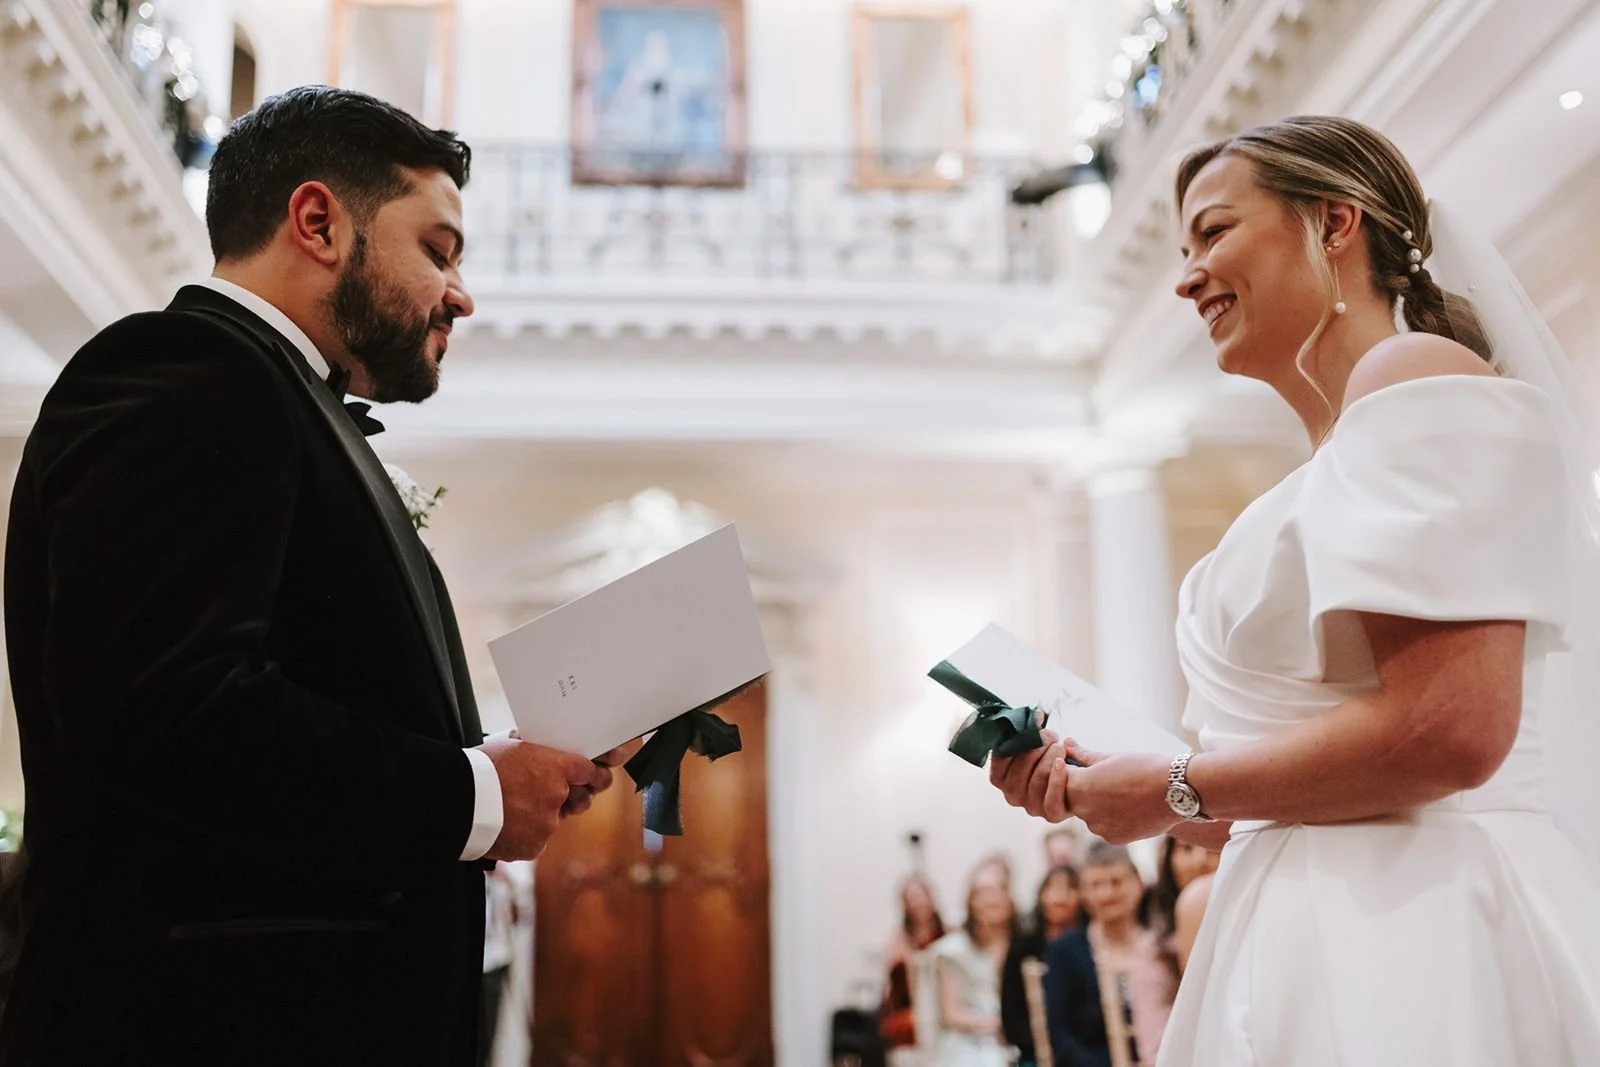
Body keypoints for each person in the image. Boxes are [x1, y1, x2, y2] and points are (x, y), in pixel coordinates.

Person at [0, 86, 622, 1065]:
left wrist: (485, 765)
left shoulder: (269, 397)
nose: (461, 294)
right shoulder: (188, 371)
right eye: (439, 249)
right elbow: (170, 706)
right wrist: (470, 792)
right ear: (320, 221)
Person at [989, 115, 1600, 1065]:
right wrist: (1112, 788)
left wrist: (1178, 786)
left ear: (1334, 223)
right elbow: (1315, 782)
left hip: (1413, 932)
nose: (1187, 275)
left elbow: (1452, 727)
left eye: (1215, 232)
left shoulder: (1414, 374)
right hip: (1301, 924)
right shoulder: (1321, 467)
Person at [1042, 844, 1174, 1067]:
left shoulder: (1162, 944)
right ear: (1083, 893)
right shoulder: (1063, 951)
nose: (1106, 894)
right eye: (1095, 885)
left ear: (1139, 884)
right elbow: (1061, 1035)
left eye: (1116, 882)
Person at [921, 863, 1015, 1067]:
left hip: (1017, 1042)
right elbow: (952, 1014)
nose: (991, 900)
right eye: (982, 894)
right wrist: (1001, 1025)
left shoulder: (1022, 945)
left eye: (997, 891)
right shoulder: (952, 951)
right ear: (971, 901)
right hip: (968, 1044)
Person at [1000, 865, 1084, 1067]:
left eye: (1069, 889)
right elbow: (1010, 1010)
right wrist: (1040, 1044)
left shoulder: (1090, 942)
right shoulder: (1024, 945)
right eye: (1052, 889)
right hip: (1034, 1049)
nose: (1059, 898)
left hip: (1084, 1046)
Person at [882, 873, 947, 1058]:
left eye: (920, 896)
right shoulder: (898, 940)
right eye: (910, 899)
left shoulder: (948, 935)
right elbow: (895, 985)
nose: (916, 903)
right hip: (909, 1012)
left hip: (942, 1009)